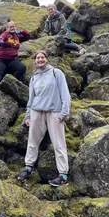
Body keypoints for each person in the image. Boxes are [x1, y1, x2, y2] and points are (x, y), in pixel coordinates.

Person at [17, 51, 71, 187]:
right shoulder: (34, 77)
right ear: (35, 61)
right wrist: (28, 115)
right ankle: (28, 167)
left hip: (54, 112)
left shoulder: (56, 73)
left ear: (47, 59)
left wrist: (64, 112)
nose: (40, 60)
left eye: (42, 57)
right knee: (32, 141)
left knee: (59, 143)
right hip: (37, 111)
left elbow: (65, 93)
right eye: (37, 58)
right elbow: (31, 98)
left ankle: (63, 175)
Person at [0, 21, 31, 91]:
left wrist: (23, 31)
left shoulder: (17, 37)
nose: (12, 28)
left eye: (14, 26)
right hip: (0, 59)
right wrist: (1, 42)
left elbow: (28, 37)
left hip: (12, 60)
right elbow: (0, 38)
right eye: (10, 27)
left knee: (21, 68)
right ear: (6, 28)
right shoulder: (5, 34)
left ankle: (11, 82)